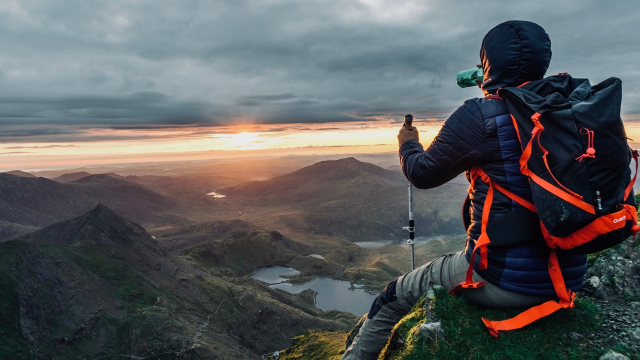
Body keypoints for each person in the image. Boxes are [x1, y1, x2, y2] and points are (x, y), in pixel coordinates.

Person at [341, 20, 588, 360]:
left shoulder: (481, 114)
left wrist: (408, 144)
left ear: (489, 62)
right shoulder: (574, 108)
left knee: (393, 295)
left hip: (504, 281)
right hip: (571, 274)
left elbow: (422, 174)